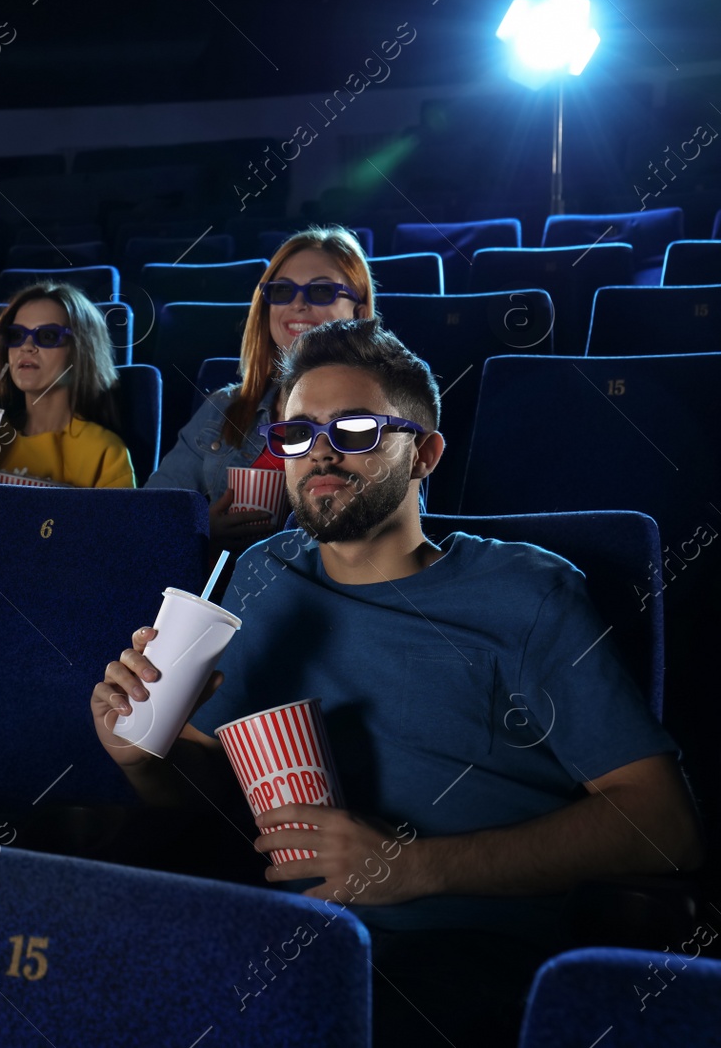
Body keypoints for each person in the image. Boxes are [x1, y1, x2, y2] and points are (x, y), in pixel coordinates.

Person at [91, 319, 701, 1044]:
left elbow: (665, 827)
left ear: (425, 454)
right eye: (295, 433)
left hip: (461, 950)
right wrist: (142, 751)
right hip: (281, 935)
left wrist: (410, 866)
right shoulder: (261, 574)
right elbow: (205, 791)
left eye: (354, 429)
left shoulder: (529, 592)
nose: (319, 451)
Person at [146, 226, 374, 554]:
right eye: (282, 291)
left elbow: (401, 539)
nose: (297, 304)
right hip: (216, 595)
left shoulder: (383, 413)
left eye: (321, 291)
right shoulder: (224, 407)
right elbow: (150, 513)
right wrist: (199, 533)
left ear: (360, 313)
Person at [0, 281, 134, 489]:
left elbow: (116, 526)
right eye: (17, 335)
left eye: (48, 336)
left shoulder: (105, 451)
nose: (27, 346)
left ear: (81, 349)